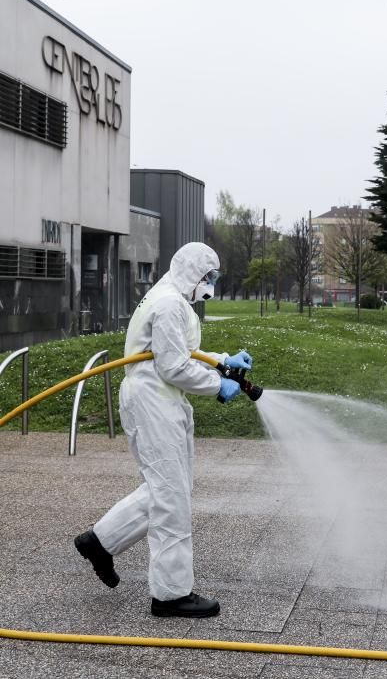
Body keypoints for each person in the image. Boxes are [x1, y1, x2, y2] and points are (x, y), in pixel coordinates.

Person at [74, 242, 253, 618]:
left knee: (168, 487)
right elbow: (174, 367)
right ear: (192, 272)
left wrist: (222, 362)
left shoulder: (169, 297)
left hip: (161, 400)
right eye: (208, 277)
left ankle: (101, 542)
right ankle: (171, 595)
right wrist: (216, 385)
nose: (210, 285)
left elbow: (177, 352)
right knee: (171, 496)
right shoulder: (170, 303)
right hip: (154, 401)